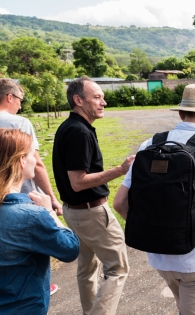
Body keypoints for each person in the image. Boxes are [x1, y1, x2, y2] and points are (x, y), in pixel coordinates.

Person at [113, 84, 195, 315]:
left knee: (183, 306)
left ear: (181, 113)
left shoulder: (150, 145)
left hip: (159, 258)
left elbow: (119, 203)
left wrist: (152, 230)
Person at [52, 76, 135, 315]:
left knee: (87, 269)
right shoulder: (79, 132)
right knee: (118, 269)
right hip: (91, 213)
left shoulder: (70, 126)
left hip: (74, 213)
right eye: (97, 97)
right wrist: (121, 170)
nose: (103, 102)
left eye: (102, 97)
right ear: (78, 100)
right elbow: (78, 183)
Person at [0, 128, 79, 314]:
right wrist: (49, 212)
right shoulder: (31, 216)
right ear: (21, 161)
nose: (35, 160)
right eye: (32, 155)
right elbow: (70, 249)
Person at [0, 78, 63, 296]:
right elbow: (37, 164)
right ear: (9, 97)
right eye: (19, 99)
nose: (20, 104)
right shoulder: (19, 123)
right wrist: (51, 199)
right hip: (21, 196)